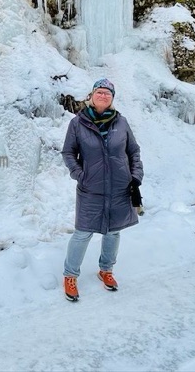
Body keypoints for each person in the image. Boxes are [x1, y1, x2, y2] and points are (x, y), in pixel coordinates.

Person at [61, 78, 143, 302]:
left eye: (108, 93)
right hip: (91, 188)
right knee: (83, 232)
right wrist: (80, 174)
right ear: (91, 95)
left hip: (119, 188)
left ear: (112, 98)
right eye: (100, 92)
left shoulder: (121, 122)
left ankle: (106, 270)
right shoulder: (78, 123)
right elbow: (68, 153)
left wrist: (135, 177)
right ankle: (70, 275)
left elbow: (133, 151)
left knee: (113, 231)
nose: (104, 96)